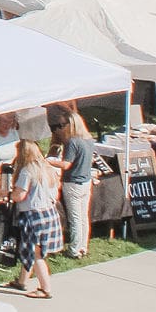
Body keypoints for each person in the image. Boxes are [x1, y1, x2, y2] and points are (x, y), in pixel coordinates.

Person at [8, 139, 59, 298]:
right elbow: (56, 194)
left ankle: (45, 289)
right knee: (30, 249)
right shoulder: (48, 168)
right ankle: (22, 281)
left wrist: (5, 194)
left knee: (36, 254)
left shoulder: (27, 171)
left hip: (33, 215)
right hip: (49, 213)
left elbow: (19, 196)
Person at [50, 111, 96, 259]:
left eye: (63, 125)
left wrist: (48, 161)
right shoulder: (89, 139)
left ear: (71, 124)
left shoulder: (72, 142)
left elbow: (65, 164)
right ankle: (83, 246)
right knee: (83, 217)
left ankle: (75, 249)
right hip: (86, 181)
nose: (61, 128)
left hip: (73, 182)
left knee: (75, 217)